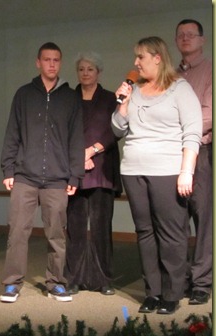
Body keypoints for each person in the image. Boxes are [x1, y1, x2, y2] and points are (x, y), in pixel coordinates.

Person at [112, 36, 202, 315]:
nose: (135, 63)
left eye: (140, 57)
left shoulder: (179, 89)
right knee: (144, 232)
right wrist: (123, 104)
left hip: (167, 170)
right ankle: (153, 292)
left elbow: (192, 132)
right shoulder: (134, 90)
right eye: (136, 57)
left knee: (171, 233)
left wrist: (186, 171)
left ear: (157, 58)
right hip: (133, 169)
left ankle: (173, 292)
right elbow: (117, 130)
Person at [0, 42, 85, 303]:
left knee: (56, 234)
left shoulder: (70, 98)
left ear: (60, 63)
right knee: (17, 232)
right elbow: (12, 132)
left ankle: (56, 282)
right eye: (47, 59)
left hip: (58, 179)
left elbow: (76, 139)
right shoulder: (24, 94)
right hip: (25, 176)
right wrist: (8, 168)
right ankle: (12, 283)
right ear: (38, 62)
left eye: (56, 60)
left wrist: (75, 175)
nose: (51, 64)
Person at [65, 52, 121, 296]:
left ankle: (103, 279)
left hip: (102, 169)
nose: (85, 73)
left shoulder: (111, 98)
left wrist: (92, 150)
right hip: (74, 168)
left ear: (99, 72)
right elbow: (61, 131)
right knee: (75, 226)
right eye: (81, 69)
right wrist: (79, 154)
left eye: (90, 69)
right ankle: (73, 278)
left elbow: (117, 129)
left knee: (101, 226)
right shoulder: (67, 99)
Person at [175, 19, 212, 305]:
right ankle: (180, 278)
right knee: (176, 220)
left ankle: (201, 282)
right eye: (181, 35)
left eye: (191, 35)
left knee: (203, 220)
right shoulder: (171, 74)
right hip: (171, 156)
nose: (186, 38)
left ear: (202, 40)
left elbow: (209, 114)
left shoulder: (211, 69)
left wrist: (178, 132)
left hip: (200, 154)